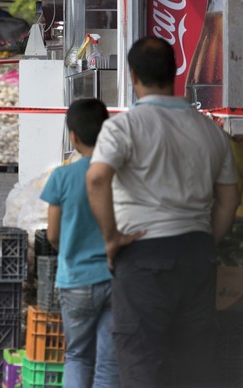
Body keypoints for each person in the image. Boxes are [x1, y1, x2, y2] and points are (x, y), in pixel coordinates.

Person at [86, 36, 240, 387]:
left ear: (133, 76)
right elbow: (229, 200)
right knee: (196, 366)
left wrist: (111, 238)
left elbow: (96, 179)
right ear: (176, 74)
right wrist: (205, 240)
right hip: (197, 256)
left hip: (143, 257)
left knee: (142, 364)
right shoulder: (210, 131)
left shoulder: (123, 127)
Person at [41, 98, 118, 388]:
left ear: (72, 136)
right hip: (114, 277)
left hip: (75, 280)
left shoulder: (62, 176)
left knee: (77, 356)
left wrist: (70, 252)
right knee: (109, 361)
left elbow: (52, 234)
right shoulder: (117, 173)